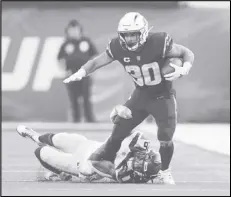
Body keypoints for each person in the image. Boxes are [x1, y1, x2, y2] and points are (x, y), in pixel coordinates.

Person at [63, 12, 195, 184]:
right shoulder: (118, 46)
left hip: (163, 96)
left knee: (165, 137)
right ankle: (105, 164)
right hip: (141, 95)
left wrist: (185, 67)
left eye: (134, 34)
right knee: (118, 130)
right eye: (126, 35)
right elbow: (96, 61)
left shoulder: (158, 42)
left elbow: (186, 52)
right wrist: (82, 71)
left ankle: (165, 170)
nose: (130, 38)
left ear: (144, 32)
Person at [16, 105, 161, 183]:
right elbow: (129, 128)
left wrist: (111, 142)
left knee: (42, 153)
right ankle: (35, 136)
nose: (141, 155)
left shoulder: (123, 174)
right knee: (58, 138)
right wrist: (119, 113)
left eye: (142, 160)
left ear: (139, 170)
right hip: (88, 145)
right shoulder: (138, 143)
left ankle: (60, 173)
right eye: (144, 155)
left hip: (83, 164)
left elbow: (94, 159)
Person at [57, 19, 97, 122]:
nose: (74, 32)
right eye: (71, 30)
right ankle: (76, 120)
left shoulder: (86, 41)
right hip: (71, 74)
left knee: (86, 98)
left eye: (75, 29)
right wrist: (64, 71)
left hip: (85, 74)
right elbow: (60, 58)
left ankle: (90, 120)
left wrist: (92, 70)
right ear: (68, 31)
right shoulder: (66, 44)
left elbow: (94, 56)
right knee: (74, 99)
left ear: (80, 30)